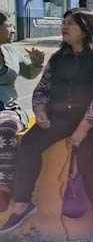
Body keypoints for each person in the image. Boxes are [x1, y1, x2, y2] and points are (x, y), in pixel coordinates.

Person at [1, 9, 93, 242]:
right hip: (60, 117)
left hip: (92, 119)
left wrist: (83, 129)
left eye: (70, 23)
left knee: (88, 158)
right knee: (28, 145)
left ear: (86, 27)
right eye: (63, 22)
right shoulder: (59, 57)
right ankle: (22, 203)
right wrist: (40, 111)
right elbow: (42, 88)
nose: (64, 26)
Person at [0, 12, 44, 213]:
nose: (12, 29)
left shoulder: (11, 51)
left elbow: (29, 73)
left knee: (6, 127)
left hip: (9, 109)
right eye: (9, 25)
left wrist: (36, 62)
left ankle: (4, 187)